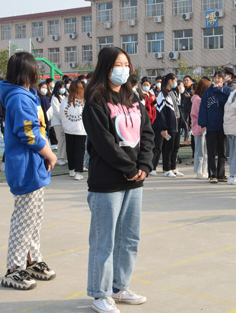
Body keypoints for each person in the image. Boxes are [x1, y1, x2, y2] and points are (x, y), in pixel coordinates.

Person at [82, 46, 154, 311]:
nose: (123, 70)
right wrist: (129, 168)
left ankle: (119, 286)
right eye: (117, 65)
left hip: (135, 180)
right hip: (107, 182)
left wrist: (144, 165)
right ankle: (100, 294)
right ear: (106, 68)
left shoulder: (132, 96)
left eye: (126, 65)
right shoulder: (95, 100)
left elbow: (147, 133)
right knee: (104, 241)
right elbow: (104, 143)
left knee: (129, 238)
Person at [0, 52, 57, 290]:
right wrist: (50, 154)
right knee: (24, 220)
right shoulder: (19, 98)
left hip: (34, 164)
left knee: (34, 218)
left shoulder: (26, 95)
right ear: (29, 72)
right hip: (25, 166)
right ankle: (14, 269)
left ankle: (32, 260)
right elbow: (29, 134)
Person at [198, 70, 232, 183]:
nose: (217, 80)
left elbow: (226, 103)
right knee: (211, 151)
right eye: (215, 78)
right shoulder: (208, 91)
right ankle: (212, 174)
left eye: (219, 78)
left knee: (222, 151)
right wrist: (203, 124)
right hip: (210, 125)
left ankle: (221, 174)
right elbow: (203, 108)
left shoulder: (227, 90)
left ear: (223, 79)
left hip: (223, 125)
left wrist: (218, 90)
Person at [153, 73, 183, 178]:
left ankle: (173, 168)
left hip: (176, 124)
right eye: (175, 80)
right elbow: (160, 112)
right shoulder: (162, 94)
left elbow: (178, 109)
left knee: (175, 146)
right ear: (170, 81)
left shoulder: (173, 93)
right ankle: (166, 169)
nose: (176, 83)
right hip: (169, 126)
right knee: (168, 148)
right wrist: (164, 128)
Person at [62, 80, 86, 181]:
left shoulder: (65, 100)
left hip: (68, 128)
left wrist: (65, 125)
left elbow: (61, 113)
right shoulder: (83, 100)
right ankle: (78, 172)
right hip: (81, 129)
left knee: (70, 149)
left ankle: (71, 170)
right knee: (79, 150)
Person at [191, 78, 210, 179]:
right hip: (199, 129)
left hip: (205, 128)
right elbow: (197, 114)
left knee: (205, 151)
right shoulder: (197, 99)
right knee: (200, 151)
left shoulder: (201, 99)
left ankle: (204, 170)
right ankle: (199, 171)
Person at [50, 81, 68, 166]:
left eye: (64, 87)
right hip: (57, 122)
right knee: (61, 139)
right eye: (61, 87)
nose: (63, 89)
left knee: (64, 140)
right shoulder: (54, 97)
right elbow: (56, 111)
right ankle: (60, 158)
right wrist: (63, 119)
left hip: (64, 121)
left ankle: (63, 157)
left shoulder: (64, 96)